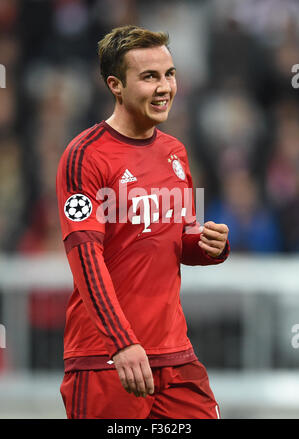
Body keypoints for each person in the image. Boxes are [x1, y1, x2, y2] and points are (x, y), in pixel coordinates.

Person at [56, 25, 230, 419]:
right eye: (149, 77)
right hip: (106, 357)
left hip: (173, 353)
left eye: (169, 74)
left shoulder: (175, 152)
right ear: (115, 85)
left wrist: (209, 245)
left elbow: (176, 240)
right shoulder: (84, 156)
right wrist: (121, 342)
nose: (165, 87)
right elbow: (85, 257)